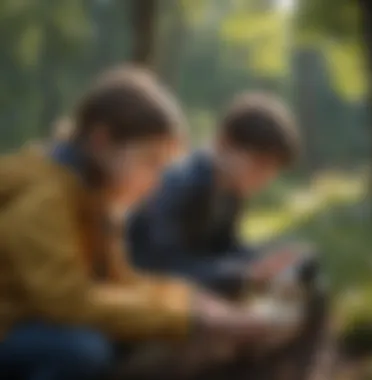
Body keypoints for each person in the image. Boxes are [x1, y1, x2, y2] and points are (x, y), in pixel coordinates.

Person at [0, 67, 272, 380]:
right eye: (150, 162)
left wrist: (193, 303)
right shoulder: (45, 198)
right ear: (102, 141)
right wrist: (191, 319)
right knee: (83, 350)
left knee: (115, 338)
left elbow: (119, 282)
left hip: (25, 321)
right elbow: (69, 301)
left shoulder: (95, 198)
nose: (156, 182)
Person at [126, 92, 329, 379]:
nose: (264, 177)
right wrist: (245, 272)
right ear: (223, 143)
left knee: (310, 290)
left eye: (272, 168)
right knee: (255, 317)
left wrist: (270, 258)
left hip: (198, 291)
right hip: (152, 301)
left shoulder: (229, 191)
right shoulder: (180, 184)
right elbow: (160, 265)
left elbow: (225, 248)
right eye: (259, 164)